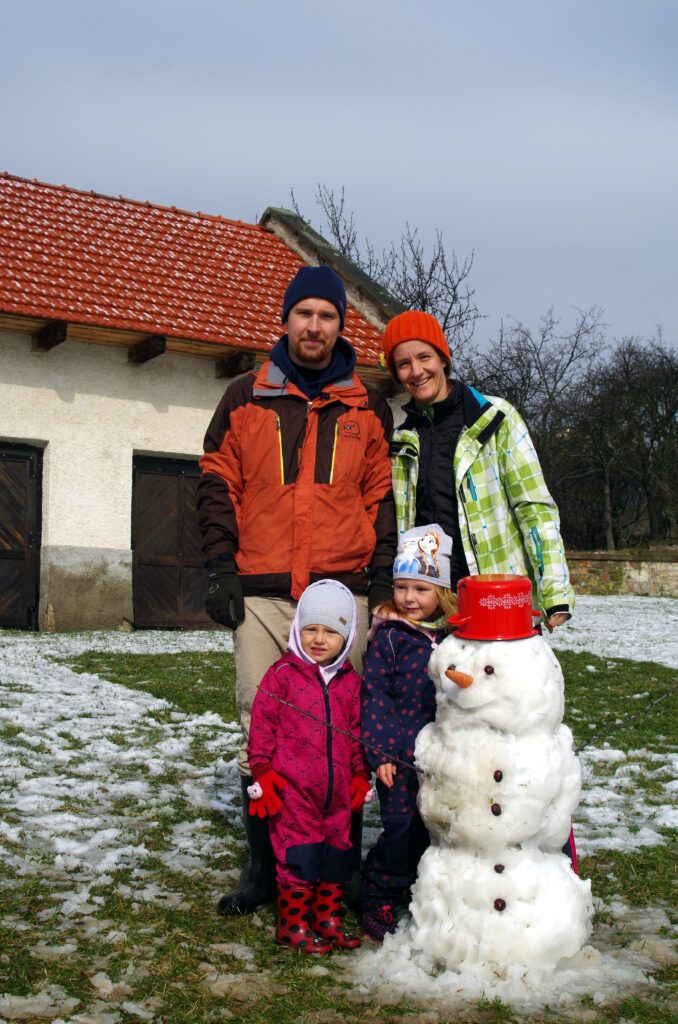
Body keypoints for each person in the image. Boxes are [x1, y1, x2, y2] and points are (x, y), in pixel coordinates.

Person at [197, 265, 396, 915]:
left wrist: (383, 585)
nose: (315, 326)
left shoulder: (369, 407)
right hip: (262, 592)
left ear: (341, 325)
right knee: (261, 724)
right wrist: (220, 568)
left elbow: (382, 500)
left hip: (342, 592)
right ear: (285, 320)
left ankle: (339, 865)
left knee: (342, 730)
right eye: (304, 313)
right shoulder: (243, 396)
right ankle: (262, 868)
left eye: (327, 315)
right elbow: (217, 483)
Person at [380, 310, 574, 629]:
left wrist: (555, 593)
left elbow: (535, 509)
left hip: (499, 600)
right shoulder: (401, 440)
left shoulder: (496, 419)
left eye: (424, 357)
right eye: (403, 364)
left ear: (443, 358)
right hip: (431, 611)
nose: (416, 371)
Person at [247, 579, 372, 954]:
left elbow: (356, 732)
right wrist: (262, 771)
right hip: (294, 790)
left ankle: (326, 918)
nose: (319, 639)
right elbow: (261, 726)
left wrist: (360, 774)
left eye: (330, 632)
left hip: (338, 793)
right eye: (310, 629)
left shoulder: (350, 682)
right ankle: (293, 924)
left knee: (338, 853)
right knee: (299, 855)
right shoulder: (282, 675)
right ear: (297, 629)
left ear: (346, 637)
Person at [360, 524, 457, 941]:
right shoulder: (390, 637)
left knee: (436, 825)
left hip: (443, 753)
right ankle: (376, 892)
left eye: (420, 589)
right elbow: (375, 694)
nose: (409, 598)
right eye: (401, 587)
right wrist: (381, 752)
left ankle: (425, 892)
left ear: (441, 592)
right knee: (401, 827)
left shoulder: (452, 637)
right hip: (399, 757)